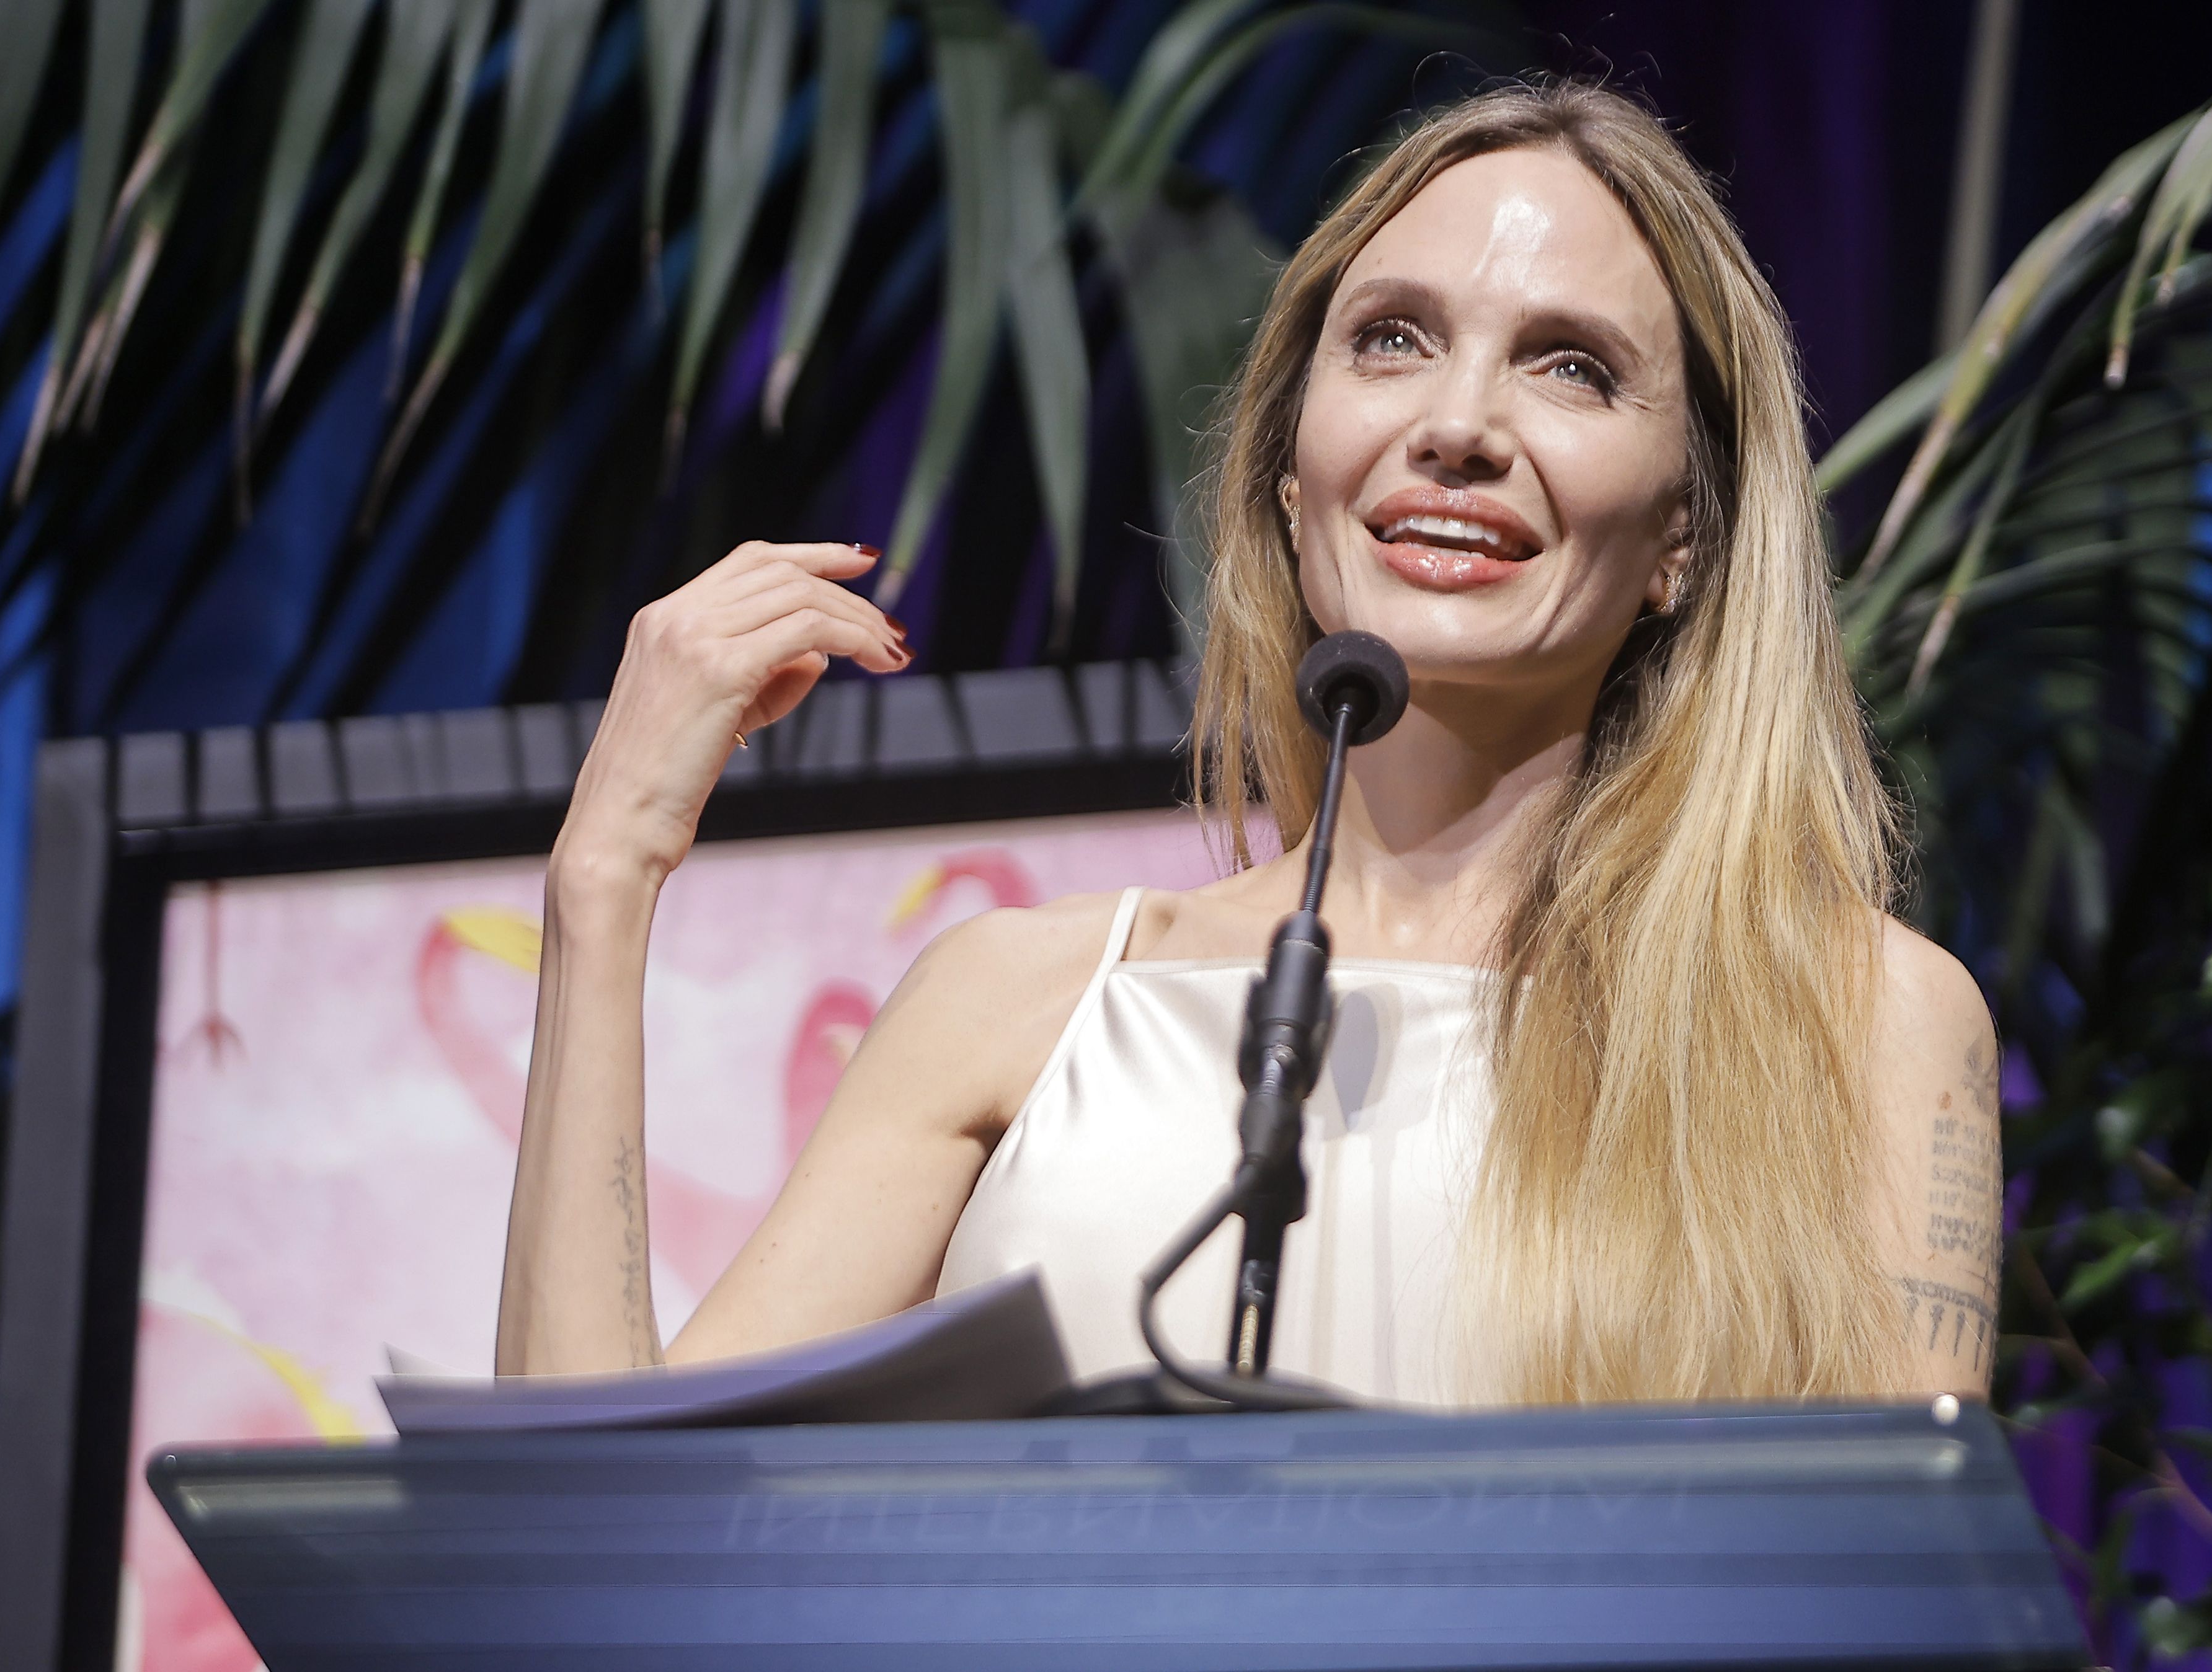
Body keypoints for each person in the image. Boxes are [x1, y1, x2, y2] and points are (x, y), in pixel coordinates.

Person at [495, 79, 2001, 1407]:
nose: (1458, 423)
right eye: (1394, 339)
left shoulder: (1854, 1021)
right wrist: (602, 874)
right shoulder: (1014, 1003)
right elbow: (585, 1562)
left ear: (1683, 534)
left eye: (1570, 366)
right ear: (1293, 480)